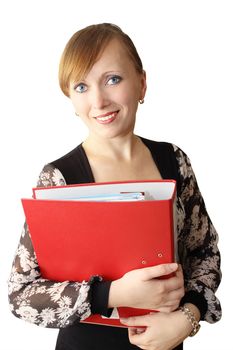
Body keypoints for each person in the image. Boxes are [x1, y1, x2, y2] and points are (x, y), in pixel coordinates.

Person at [8, 23, 221, 350]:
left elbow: (204, 254)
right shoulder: (59, 177)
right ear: (70, 98)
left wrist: (187, 318)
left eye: (113, 79)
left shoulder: (173, 160)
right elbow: (22, 295)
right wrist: (115, 293)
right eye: (81, 86)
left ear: (142, 83)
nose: (99, 100)